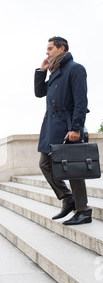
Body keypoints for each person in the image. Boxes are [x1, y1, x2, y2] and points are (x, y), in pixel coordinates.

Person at [34, 36, 92, 225]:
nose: (47, 52)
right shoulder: (54, 71)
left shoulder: (75, 69)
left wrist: (76, 128)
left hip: (68, 127)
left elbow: (81, 101)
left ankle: (83, 211)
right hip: (52, 126)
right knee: (45, 164)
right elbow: (39, 92)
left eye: (50, 49)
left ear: (61, 48)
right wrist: (41, 71)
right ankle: (68, 199)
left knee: (73, 169)